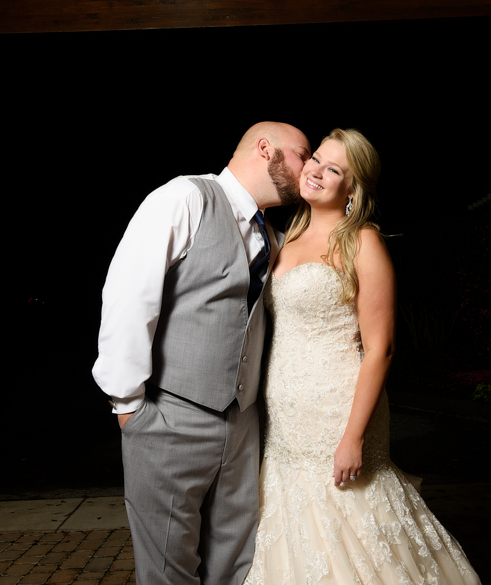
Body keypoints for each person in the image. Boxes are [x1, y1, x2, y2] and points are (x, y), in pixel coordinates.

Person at [243, 129, 481, 585]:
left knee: (358, 522)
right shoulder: (284, 239)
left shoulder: (363, 242)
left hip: (337, 411)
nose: (314, 170)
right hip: (286, 418)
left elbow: (381, 348)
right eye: (315, 159)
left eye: (333, 169)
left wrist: (353, 437)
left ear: (352, 190)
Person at [92, 122, 311, 585]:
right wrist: (128, 406)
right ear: (265, 149)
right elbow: (130, 297)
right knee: (169, 571)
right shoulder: (184, 198)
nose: (307, 166)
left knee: (236, 564)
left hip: (243, 423)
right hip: (171, 418)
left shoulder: (269, 236)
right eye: (301, 154)